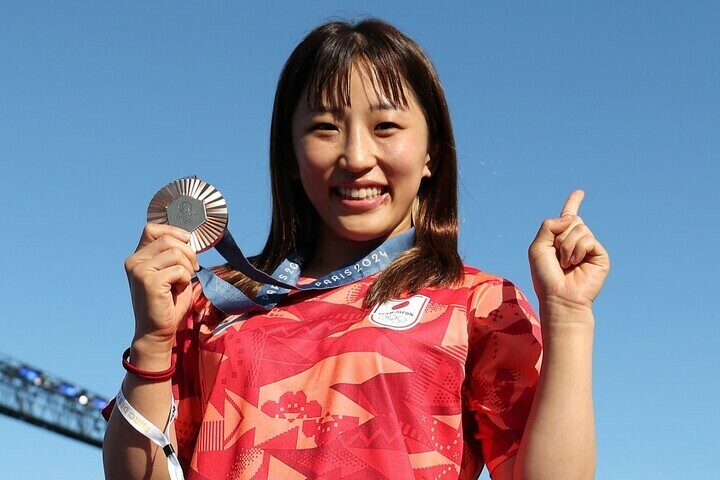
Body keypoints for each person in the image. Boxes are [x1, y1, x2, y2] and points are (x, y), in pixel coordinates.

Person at [103, 19, 609, 480]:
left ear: (432, 150)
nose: (356, 156)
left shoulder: (482, 306)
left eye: (386, 126)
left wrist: (567, 318)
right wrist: (151, 341)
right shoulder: (211, 302)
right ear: (290, 155)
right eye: (325, 127)